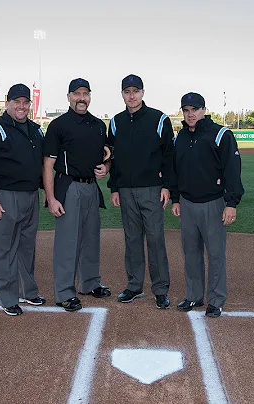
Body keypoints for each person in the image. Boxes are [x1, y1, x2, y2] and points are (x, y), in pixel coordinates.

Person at [0, 83, 46, 316]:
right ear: (8, 104)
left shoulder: (35, 129)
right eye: (17, 102)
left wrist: (46, 191)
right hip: (5, 196)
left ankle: (28, 291)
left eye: (25, 102)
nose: (22, 106)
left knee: (27, 248)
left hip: (31, 195)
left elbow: (41, 164)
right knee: (4, 249)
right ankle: (8, 297)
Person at [170, 92, 244, 318]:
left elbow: (232, 169)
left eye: (195, 109)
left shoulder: (221, 134)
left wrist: (231, 203)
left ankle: (216, 299)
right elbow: (174, 169)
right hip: (187, 203)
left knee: (215, 254)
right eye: (186, 110)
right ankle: (193, 296)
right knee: (191, 253)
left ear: (203, 110)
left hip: (213, 202)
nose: (190, 114)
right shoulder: (180, 137)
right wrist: (175, 198)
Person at [43, 78, 111, 312]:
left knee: (91, 238)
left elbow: (107, 155)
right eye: (77, 94)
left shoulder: (98, 125)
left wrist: (107, 168)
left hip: (92, 187)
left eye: (85, 94)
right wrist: (51, 198)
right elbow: (48, 164)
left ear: (90, 96)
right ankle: (64, 292)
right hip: (68, 186)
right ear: (69, 96)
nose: (82, 98)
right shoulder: (58, 125)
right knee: (67, 242)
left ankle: (90, 283)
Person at [107, 74, 173, 309]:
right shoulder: (115, 122)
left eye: (135, 91)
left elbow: (168, 155)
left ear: (143, 92)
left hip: (152, 189)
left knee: (155, 239)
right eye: (127, 91)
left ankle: (160, 289)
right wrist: (114, 188)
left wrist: (167, 186)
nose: (131, 96)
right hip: (125, 189)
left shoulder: (159, 119)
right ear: (122, 94)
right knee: (132, 239)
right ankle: (134, 286)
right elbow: (112, 158)